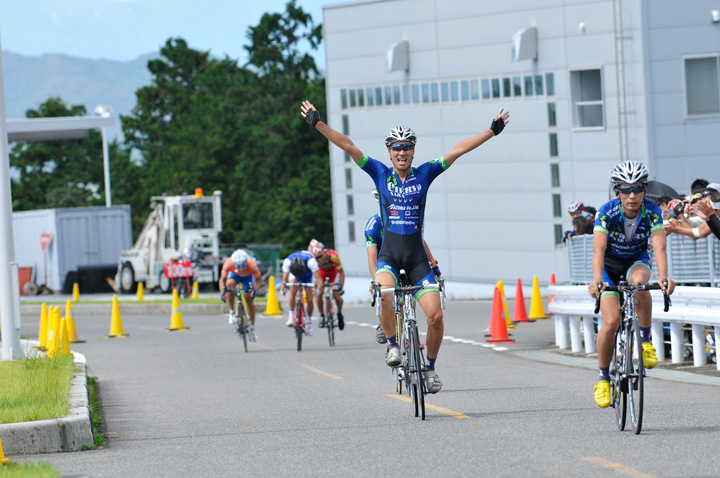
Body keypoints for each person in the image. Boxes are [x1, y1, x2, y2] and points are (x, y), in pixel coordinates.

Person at [301, 99, 509, 394]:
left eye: (407, 146)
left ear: (413, 150)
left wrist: (491, 131)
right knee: (385, 292)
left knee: (435, 316)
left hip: (416, 258)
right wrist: (319, 124)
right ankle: (392, 345)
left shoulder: (424, 174)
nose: (401, 152)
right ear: (389, 151)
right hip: (389, 255)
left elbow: (457, 151)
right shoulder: (379, 173)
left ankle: (431, 369)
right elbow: (348, 146)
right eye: (396, 147)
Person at [588, 161, 675, 408]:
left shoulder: (652, 211)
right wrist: (597, 281)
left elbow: (659, 246)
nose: (632, 195)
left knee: (639, 284)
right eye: (626, 190)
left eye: (637, 188)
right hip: (608, 266)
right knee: (612, 320)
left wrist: (664, 276)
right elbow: (598, 249)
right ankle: (604, 378)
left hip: (636, 260)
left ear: (645, 189)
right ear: (617, 191)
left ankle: (645, 341)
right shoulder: (607, 212)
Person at [365, 188, 442, 345]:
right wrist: (375, 281)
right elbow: (372, 258)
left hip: (409, 262)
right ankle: (389, 329)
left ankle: (409, 335)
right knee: (388, 298)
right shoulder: (373, 225)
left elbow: (420, 242)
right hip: (386, 264)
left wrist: (433, 265)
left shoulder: (404, 219)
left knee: (409, 297)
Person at [219, 249, 263, 340]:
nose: (241, 269)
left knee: (248, 298)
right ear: (234, 264)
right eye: (239, 266)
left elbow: (259, 280)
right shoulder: (228, 264)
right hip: (234, 275)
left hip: (248, 277)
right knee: (229, 285)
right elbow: (222, 280)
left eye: (243, 266)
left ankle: (252, 327)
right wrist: (223, 292)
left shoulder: (252, 265)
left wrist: (254, 290)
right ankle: (231, 312)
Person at [280, 250, 324, 336]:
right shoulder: (287, 262)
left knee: (309, 299)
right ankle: (291, 316)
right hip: (295, 275)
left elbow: (319, 280)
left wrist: (317, 289)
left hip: (308, 275)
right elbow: (284, 280)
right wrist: (283, 289)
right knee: (292, 290)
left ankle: (308, 321)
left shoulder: (311, 262)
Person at [308, 239, 346, 331]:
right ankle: (322, 315)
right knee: (319, 293)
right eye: (316, 258)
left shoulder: (333, 256)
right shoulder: (311, 261)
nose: (319, 259)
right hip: (321, 275)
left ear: (324, 253)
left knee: (336, 296)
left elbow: (341, 272)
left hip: (334, 274)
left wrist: (341, 286)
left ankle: (339, 314)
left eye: (321, 256)